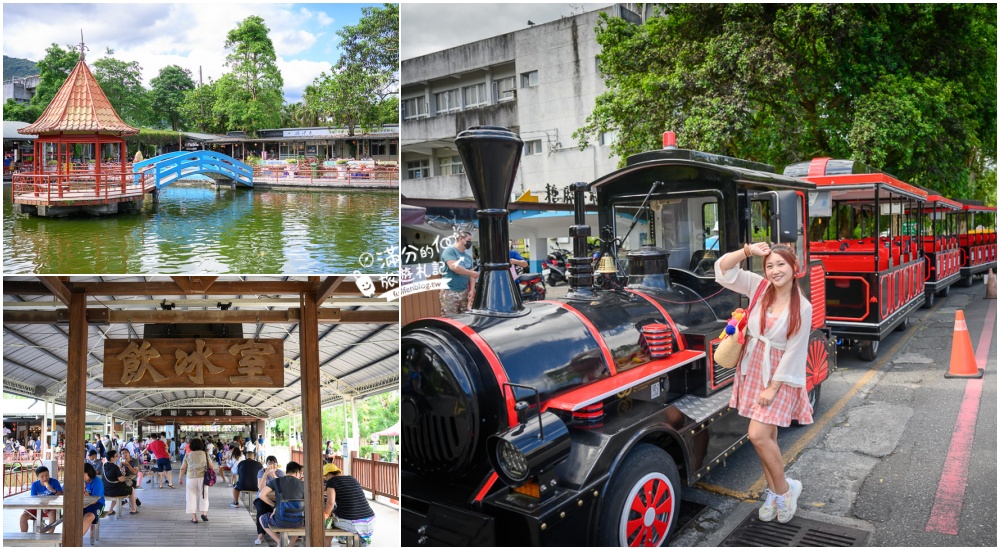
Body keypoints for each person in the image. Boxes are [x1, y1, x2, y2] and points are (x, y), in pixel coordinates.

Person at [715, 241, 813, 524]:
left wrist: (773, 387)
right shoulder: (759, 287)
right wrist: (747, 252)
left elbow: (795, 350)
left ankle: (785, 490)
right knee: (765, 439)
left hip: (778, 377)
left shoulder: (802, 307)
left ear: (794, 268)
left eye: (781, 264)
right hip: (752, 368)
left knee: (757, 435)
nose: (774, 270)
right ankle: (774, 492)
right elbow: (723, 270)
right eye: (769, 265)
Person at [322, 463, 375, 547]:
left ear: (328, 474)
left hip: (353, 522)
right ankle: (343, 539)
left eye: (325, 477)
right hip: (370, 519)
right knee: (336, 515)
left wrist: (324, 516)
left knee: (329, 522)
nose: (326, 479)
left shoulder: (331, 481)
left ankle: (328, 544)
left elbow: (330, 503)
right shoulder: (351, 478)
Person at [258, 461, 305, 546]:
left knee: (262, 518)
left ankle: (279, 541)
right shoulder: (303, 484)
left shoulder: (276, 481)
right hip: (298, 522)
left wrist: (274, 505)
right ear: (297, 472)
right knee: (302, 520)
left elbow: (261, 495)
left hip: (280, 521)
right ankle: (291, 545)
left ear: (287, 471)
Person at [439, 231, 479, 315]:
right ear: (461, 239)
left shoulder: (468, 257)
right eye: (468, 240)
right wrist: (470, 273)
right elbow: (454, 267)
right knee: (450, 319)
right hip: (449, 291)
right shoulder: (449, 251)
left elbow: (472, 275)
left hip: (464, 292)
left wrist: (472, 290)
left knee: (465, 318)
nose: (470, 243)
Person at [19, 465, 64, 533]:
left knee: (52, 515)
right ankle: (24, 535)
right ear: (38, 477)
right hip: (37, 506)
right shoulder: (35, 485)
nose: (45, 478)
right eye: (42, 476)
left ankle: (50, 535)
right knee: (23, 517)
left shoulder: (54, 482)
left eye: (47, 475)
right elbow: (33, 499)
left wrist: (53, 490)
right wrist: (42, 506)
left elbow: (61, 495)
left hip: (52, 507)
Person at [179, 437, 212, 523]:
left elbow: (183, 468)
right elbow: (211, 466)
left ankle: (194, 517)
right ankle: (204, 513)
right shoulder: (205, 454)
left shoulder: (188, 455)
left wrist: (180, 478)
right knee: (204, 495)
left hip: (191, 478)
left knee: (191, 496)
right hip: (203, 477)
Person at [102, 449, 139, 515]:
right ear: (112, 458)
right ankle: (134, 509)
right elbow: (121, 479)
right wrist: (123, 475)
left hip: (106, 490)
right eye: (116, 456)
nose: (118, 457)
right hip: (115, 490)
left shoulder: (104, 466)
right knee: (131, 489)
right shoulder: (115, 467)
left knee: (118, 489)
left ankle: (110, 510)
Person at [82, 462, 105, 539]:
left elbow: (95, 500)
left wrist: (84, 491)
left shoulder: (97, 482)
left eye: (83, 474)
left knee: (89, 516)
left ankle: (76, 539)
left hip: (97, 504)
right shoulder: (80, 481)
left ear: (89, 473)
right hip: (82, 504)